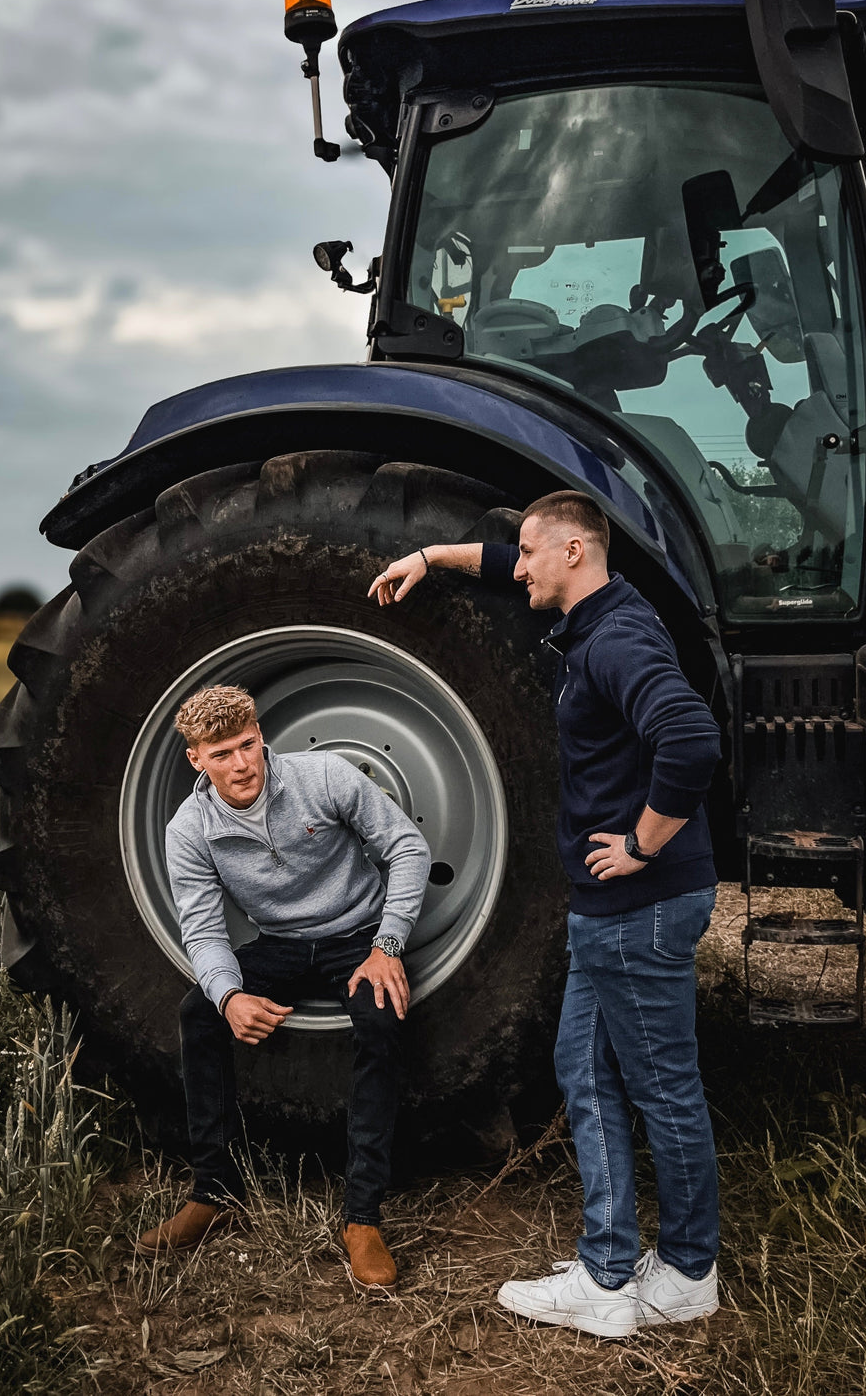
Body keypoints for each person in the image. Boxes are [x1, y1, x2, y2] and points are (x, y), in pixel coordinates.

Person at [370, 491, 722, 1337]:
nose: (517, 565)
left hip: (638, 903)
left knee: (660, 1089)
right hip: (618, 909)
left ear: (573, 551)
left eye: (530, 553)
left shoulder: (616, 639)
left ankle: (666, 1274)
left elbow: (691, 737)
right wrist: (431, 559)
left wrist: (640, 842)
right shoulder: (605, 603)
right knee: (587, 1072)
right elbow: (502, 567)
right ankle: (635, 1266)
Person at [137, 684, 431, 1289]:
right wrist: (228, 995)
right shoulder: (188, 829)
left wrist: (388, 944)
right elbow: (202, 929)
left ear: (261, 733)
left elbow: (407, 846)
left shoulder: (323, 776)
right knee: (199, 1013)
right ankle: (213, 1191)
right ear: (196, 760)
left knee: (380, 1017)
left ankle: (362, 1217)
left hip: (359, 931)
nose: (242, 764)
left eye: (248, 745)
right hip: (280, 944)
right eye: (222, 755)